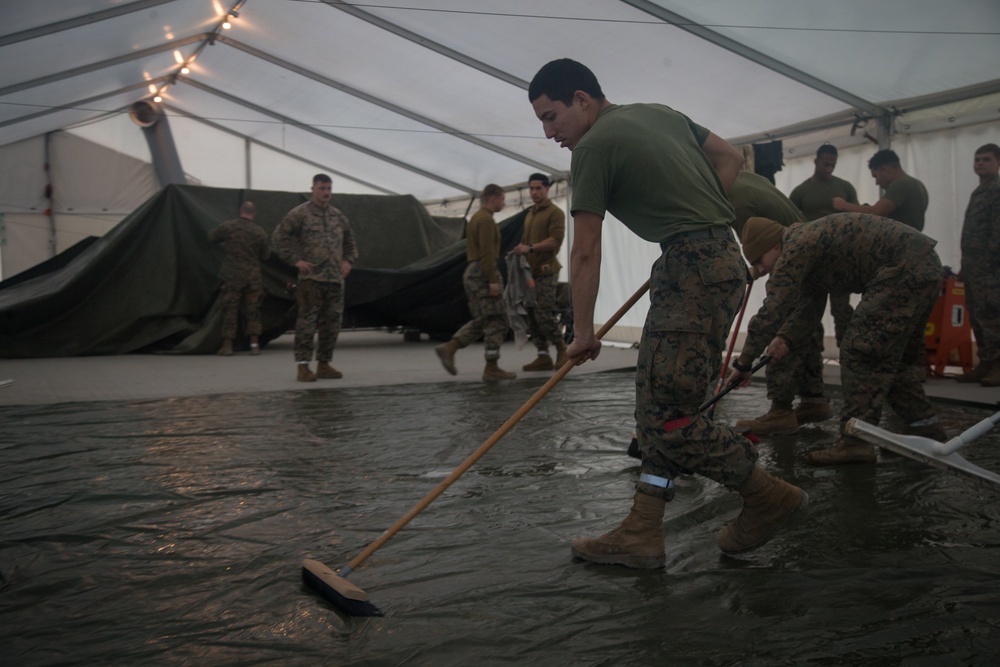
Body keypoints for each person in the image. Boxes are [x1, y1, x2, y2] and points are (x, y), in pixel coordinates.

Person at [528, 58, 807, 567]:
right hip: (707, 258)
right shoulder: (659, 113)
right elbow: (730, 158)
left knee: (669, 418)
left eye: (551, 116)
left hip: (694, 270)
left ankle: (767, 494)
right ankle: (643, 527)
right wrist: (698, 216)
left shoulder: (591, 148)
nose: (549, 132)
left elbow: (585, 250)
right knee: (655, 404)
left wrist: (583, 333)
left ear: (581, 99)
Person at [728, 215, 948, 466]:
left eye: (759, 260)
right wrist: (784, 337)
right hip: (922, 265)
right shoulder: (806, 244)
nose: (762, 268)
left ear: (774, 246)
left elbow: (773, 309)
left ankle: (856, 442)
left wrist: (744, 363)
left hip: (903, 269)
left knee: (860, 351)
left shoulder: (795, 248)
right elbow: (808, 305)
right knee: (888, 357)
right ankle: (926, 430)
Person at [727, 171, 833, 434]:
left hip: (788, 253)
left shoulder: (735, 201)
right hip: (805, 252)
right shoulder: (746, 178)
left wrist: (745, 361)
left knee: (780, 324)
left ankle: (781, 410)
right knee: (802, 322)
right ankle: (813, 399)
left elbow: (756, 249)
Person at [272, 174, 358, 382]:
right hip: (311, 280)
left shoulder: (338, 216)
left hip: (335, 281)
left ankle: (324, 364)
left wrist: (347, 261)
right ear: (313, 189)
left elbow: (350, 243)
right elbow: (279, 237)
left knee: (332, 324)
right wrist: (296, 260)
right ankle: (303, 366)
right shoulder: (300, 214)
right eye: (322, 188)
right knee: (307, 324)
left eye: (329, 188)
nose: (326, 193)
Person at [435, 184, 518, 382]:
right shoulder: (486, 220)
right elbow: (487, 252)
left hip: (474, 271)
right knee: (497, 319)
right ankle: (490, 366)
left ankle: (452, 348)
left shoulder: (476, 218)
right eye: (502, 199)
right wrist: (492, 279)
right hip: (483, 271)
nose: (503, 203)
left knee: (485, 318)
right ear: (494, 198)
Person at [511, 173, 568, 371]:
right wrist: (519, 250)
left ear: (547, 189)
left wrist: (531, 248)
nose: (534, 192)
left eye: (538, 189)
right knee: (532, 315)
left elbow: (555, 241)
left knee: (543, 314)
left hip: (546, 272)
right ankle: (542, 355)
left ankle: (562, 349)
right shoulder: (530, 214)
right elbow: (526, 242)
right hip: (530, 274)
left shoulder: (555, 213)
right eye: (532, 189)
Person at [955, 143, 1000, 386]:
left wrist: (991, 263)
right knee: (977, 316)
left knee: (992, 316)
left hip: (989, 268)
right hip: (974, 266)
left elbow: (997, 230)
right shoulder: (980, 190)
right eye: (977, 159)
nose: (980, 163)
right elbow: (972, 233)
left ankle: (997, 365)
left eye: (986, 159)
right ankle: (985, 362)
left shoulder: (996, 190)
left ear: (998, 162)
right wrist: (965, 265)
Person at [208, 201, 271, 356]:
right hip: (253, 277)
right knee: (253, 309)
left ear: (240, 211)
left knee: (230, 308)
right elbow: (266, 255)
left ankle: (228, 345)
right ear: (254, 214)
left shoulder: (228, 226)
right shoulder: (260, 232)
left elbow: (211, 238)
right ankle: (254, 345)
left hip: (232, 275)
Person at [833, 149, 928, 231]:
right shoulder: (917, 184)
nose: (877, 183)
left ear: (885, 169)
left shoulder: (900, 184)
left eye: (876, 176)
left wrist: (844, 205)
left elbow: (875, 212)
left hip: (901, 245)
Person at [789, 144, 858, 220]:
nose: (829, 169)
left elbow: (857, 216)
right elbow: (790, 218)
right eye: (826, 164)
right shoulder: (799, 191)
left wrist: (846, 206)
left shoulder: (846, 187)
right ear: (816, 162)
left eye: (833, 165)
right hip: (812, 231)